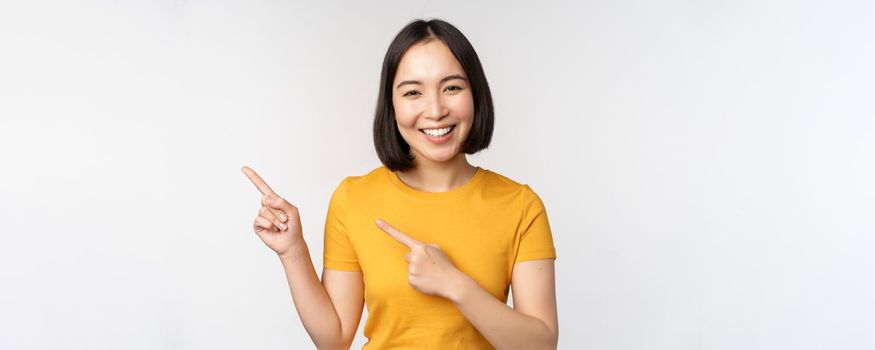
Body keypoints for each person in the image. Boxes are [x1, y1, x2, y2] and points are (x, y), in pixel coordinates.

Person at [242, 18, 558, 350]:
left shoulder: (520, 205)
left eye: (452, 87)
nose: (435, 110)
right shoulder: (354, 199)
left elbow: (540, 346)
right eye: (412, 92)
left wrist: (455, 285)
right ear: (392, 106)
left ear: (475, 93)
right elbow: (333, 340)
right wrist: (293, 252)